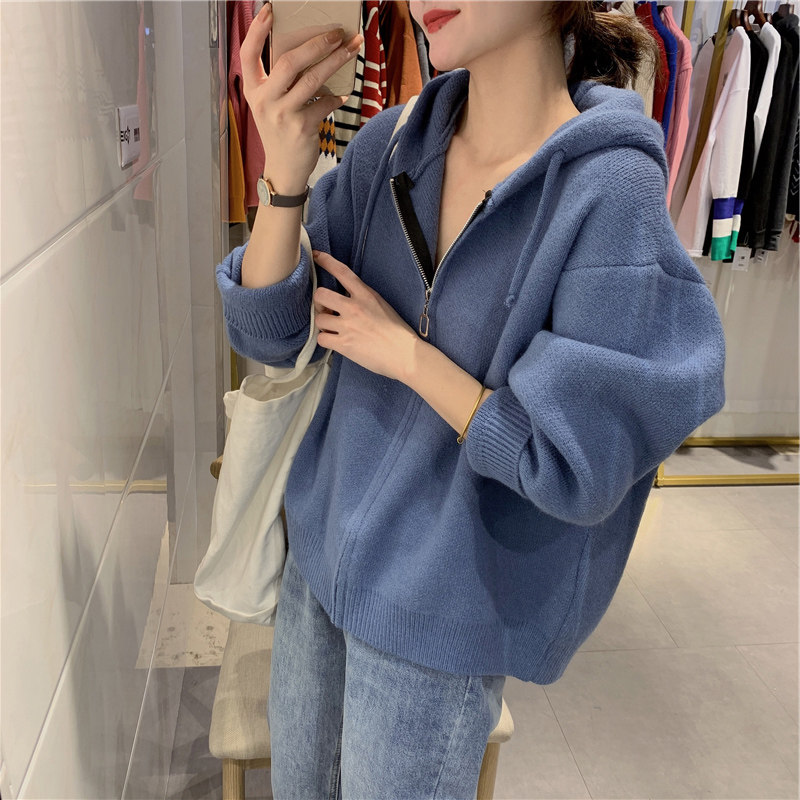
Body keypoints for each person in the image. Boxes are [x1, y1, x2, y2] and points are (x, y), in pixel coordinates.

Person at [216, 2, 727, 797]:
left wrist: (410, 359)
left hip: (438, 621)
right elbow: (269, 334)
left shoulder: (606, 191)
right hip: (315, 573)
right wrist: (285, 176)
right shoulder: (389, 147)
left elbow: (574, 464)